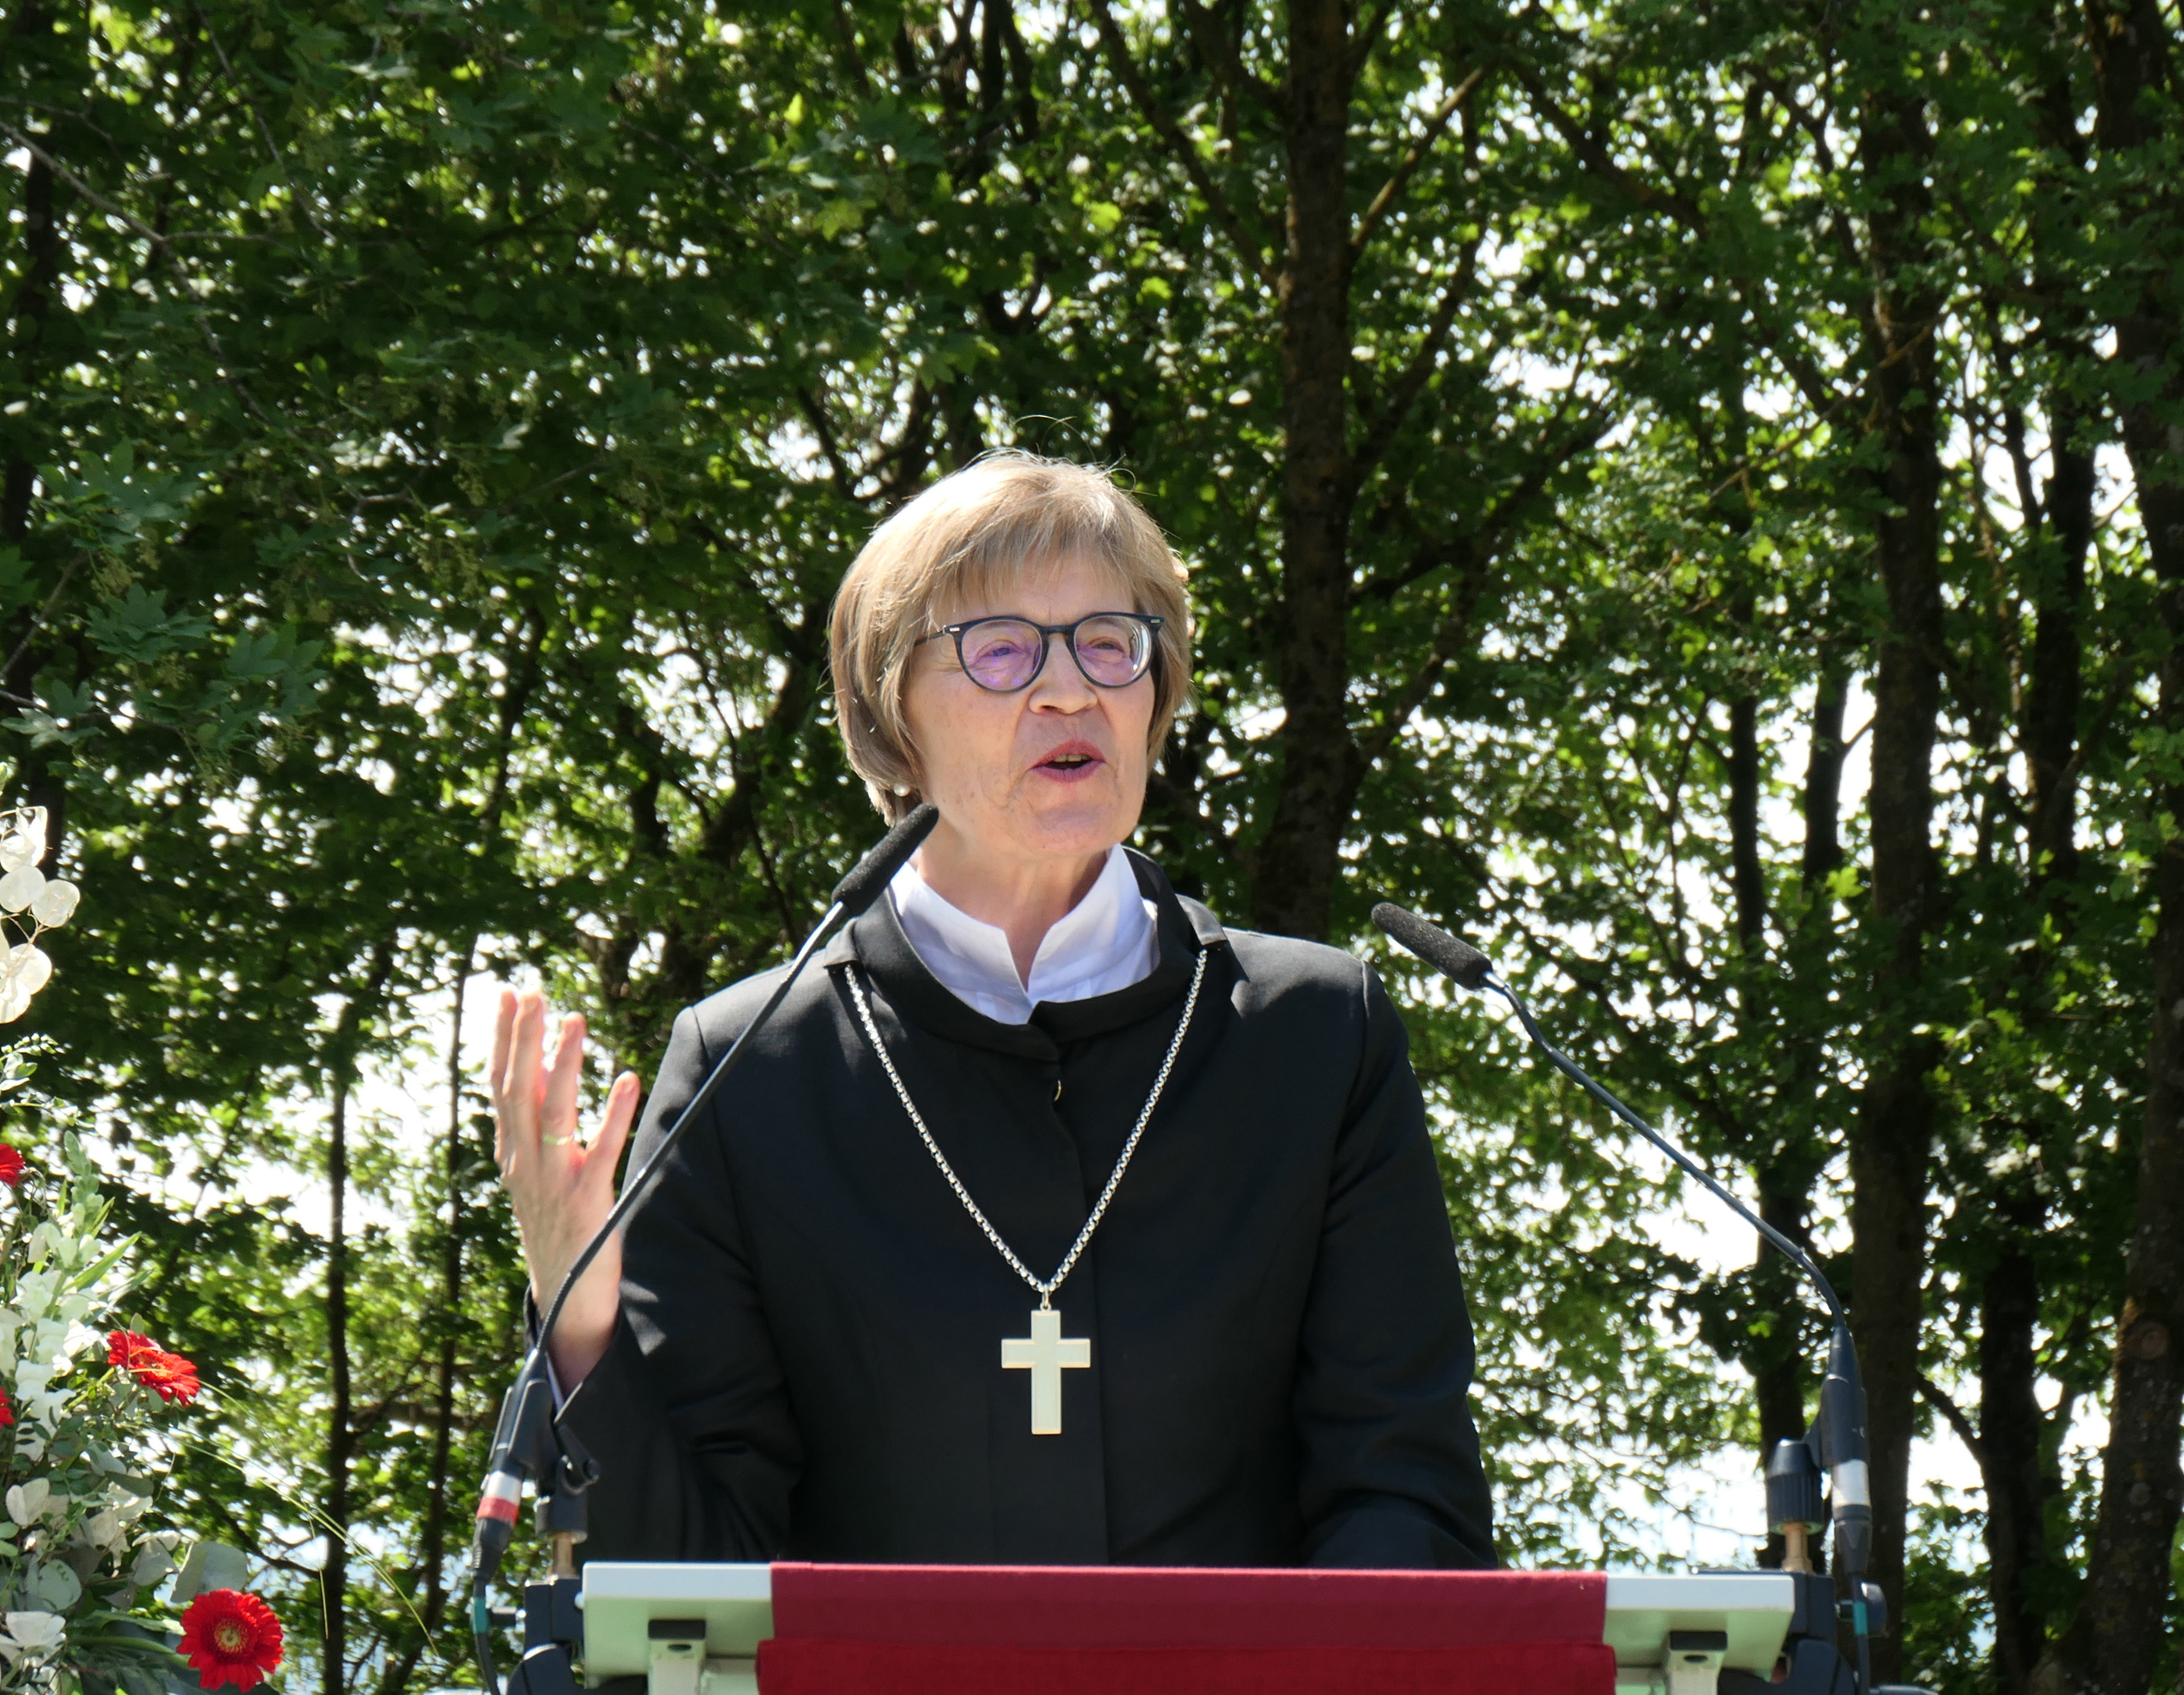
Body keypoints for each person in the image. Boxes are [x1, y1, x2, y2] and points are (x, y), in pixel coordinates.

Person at [491, 453, 1494, 1567]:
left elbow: (1404, 1497)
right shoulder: (750, 1070)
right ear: (891, 717)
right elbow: (685, 1582)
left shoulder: (1312, 1037)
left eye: (1108, 641)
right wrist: (578, 1317)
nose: (1069, 690)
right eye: (1001, 648)